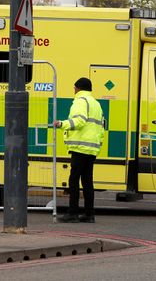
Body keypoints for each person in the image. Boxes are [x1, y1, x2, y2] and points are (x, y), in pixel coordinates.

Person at [53, 77, 105, 223]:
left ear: (78, 88)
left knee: (74, 180)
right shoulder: (96, 104)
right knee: (87, 181)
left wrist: (61, 124)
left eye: (74, 87)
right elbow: (101, 128)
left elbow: (80, 121)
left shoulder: (80, 101)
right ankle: (89, 214)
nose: (73, 90)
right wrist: (98, 144)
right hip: (92, 148)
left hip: (80, 146)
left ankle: (73, 213)